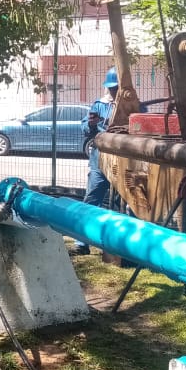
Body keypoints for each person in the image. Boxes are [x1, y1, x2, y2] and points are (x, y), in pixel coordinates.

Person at [73, 68, 119, 255]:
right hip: (99, 159)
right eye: (111, 88)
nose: (113, 91)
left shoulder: (134, 105)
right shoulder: (99, 105)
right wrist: (91, 124)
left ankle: (116, 246)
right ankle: (81, 243)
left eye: (116, 88)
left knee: (121, 202)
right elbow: (85, 128)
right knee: (92, 198)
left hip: (122, 161)